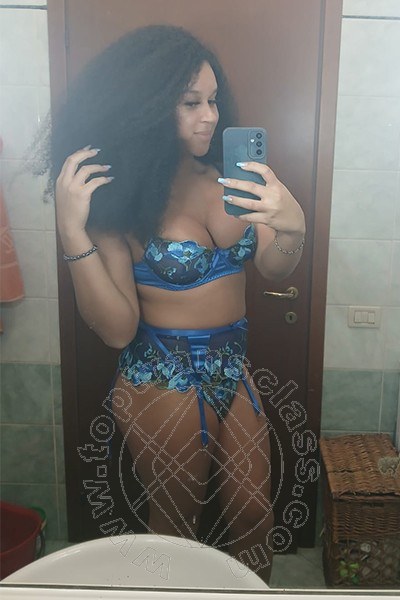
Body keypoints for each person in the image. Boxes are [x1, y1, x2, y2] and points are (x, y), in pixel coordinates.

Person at [51, 25, 305, 583]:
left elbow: (274, 266)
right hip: (162, 375)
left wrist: (293, 227)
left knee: (255, 516)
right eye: (191, 103)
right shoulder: (120, 199)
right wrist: (72, 231)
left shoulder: (233, 179)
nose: (210, 116)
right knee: (175, 531)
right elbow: (117, 329)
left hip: (232, 369)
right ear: (146, 108)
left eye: (212, 100)